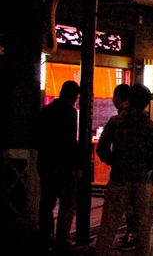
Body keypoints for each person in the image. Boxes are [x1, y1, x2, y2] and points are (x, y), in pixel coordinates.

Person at [95, 84, 153, 256]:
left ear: (129, 100)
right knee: (144, 229)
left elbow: (101, 149)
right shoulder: (152, 127)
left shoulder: (115, 122)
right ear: (147, 103)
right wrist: (147, 167)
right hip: (142, 182)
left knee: (108, 227)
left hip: (119, 180)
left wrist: (115, 161)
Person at [37, 80, 83, 253]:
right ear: (74, 97)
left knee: (46, 204)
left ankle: (44, 237)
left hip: (47, 166)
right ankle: (62, 241)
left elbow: (40, 140)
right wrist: (76, 167)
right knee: (67, 204)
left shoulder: (45, 111)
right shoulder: (70, 113)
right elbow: (71, 142)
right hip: (64, 167)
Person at [111, 84, 138, 252]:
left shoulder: (122, 118)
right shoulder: (140, 117)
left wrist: (112, 159)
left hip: (124, 169)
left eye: (113, 96)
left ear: (119, 97)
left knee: (128, 204)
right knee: (132, 204)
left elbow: (104, 147)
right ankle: (132, 232)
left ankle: (132, 234)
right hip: (137, 170)